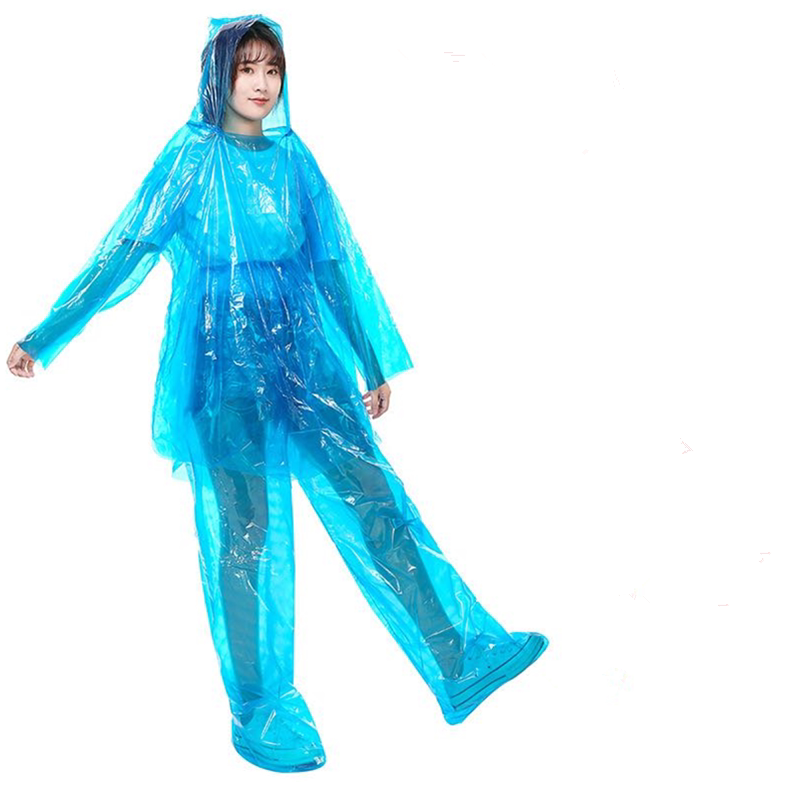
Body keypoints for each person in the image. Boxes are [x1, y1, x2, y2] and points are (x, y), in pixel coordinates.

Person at [7, 14, 549, 773]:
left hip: (307, 363)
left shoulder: (295, 161)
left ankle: (460, 656)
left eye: (272, 69)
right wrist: (47, 335)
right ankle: (261, 709)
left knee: (377, 503)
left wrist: (368, 359)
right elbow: (125, 248)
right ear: (218, 75)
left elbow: (333, 262)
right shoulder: (190, 158)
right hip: (222, 368)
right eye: (246, 68)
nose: (261, 83)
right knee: (246, 540)